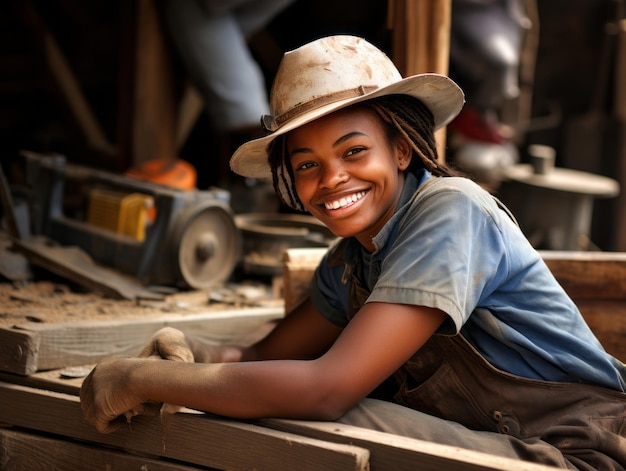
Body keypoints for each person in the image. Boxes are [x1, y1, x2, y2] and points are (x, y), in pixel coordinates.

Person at [80, 35, 626, 469]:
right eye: (307, 164)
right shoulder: (349, 264)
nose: (332, 178)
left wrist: (138, 381)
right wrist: (188, 351)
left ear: (402, 149)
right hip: (493, 443)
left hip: (575, 454)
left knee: (325, 417)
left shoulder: (452, 212)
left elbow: (324, 390)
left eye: (354, 151)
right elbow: (261, 361)